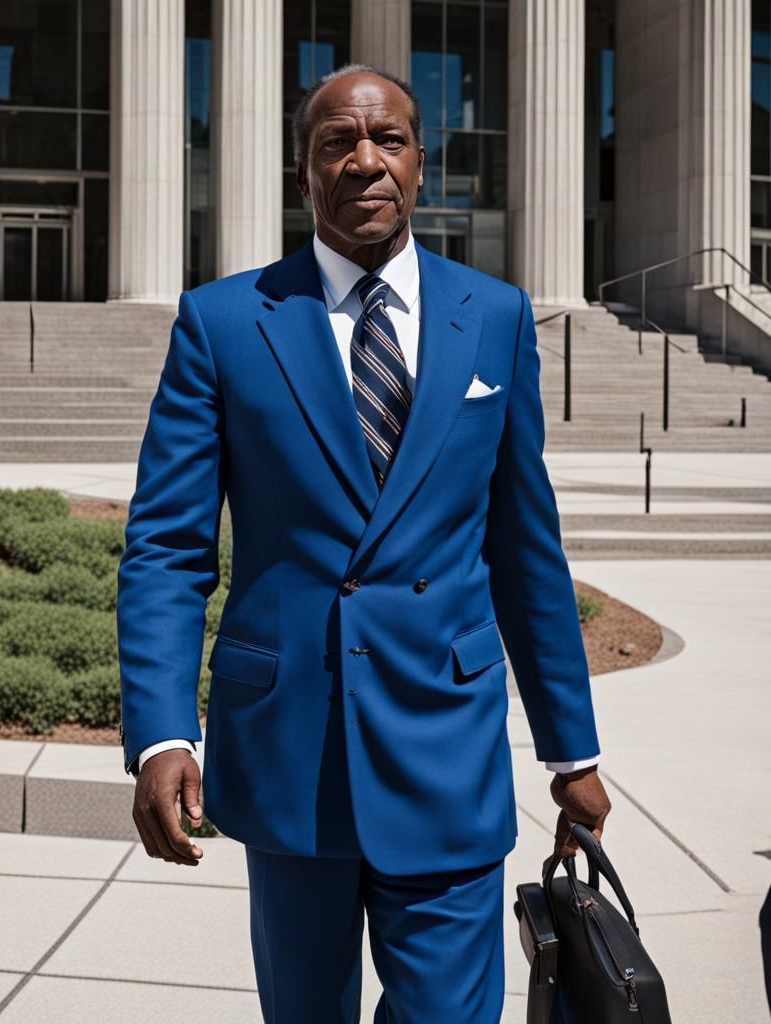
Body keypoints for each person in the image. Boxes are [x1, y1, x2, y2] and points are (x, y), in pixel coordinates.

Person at [116, 63, 612, 1023]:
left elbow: (525, 552)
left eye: (386, 139)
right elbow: (169, 547)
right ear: (304, 173)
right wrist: (162, 732)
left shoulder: (497, 317)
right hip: (289, 753)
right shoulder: (222, 323)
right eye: (336, 142)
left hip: (447, 750)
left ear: (421, 164)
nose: (364, 160)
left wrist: (571, 750)